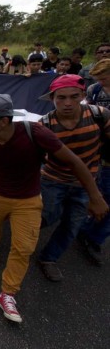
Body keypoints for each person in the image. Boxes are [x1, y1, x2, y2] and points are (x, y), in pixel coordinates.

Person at [0, 93, 107, 323]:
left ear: (4, 121)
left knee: (23, 248)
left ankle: (8, 293)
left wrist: (94, 195)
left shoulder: (36, 133)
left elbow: (74, 161)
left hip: (29, 200)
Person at [37, 74, 110, 282]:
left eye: (73, 96)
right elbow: (34, 157)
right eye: (61, 98)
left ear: (82, 95)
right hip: (53, 181)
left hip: (85, 184)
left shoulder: (99, 115)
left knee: (72, 225)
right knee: (46, 216)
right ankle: (23, 236)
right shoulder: (45, 126)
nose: (67, 103)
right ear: (52, 98)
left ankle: (49, 258)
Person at [79, 59, 110, 265]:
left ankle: (93, 236)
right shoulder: (95, 90)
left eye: (105, 78)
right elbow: (87, 112)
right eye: (99, 79)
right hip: (101, 149)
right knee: (101, 193)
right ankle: (86, 229)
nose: (102, 82)